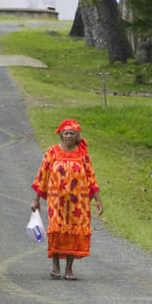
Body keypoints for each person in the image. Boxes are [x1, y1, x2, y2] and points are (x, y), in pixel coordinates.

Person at [31, 118, 103, 280]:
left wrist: (98, 200)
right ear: (61, 135)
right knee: (56, 230)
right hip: (57, 201)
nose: (69, 136)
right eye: (66, 133)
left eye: (72, 133)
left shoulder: (82, 154)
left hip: (79, 203)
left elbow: (91, 177)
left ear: (77, 136)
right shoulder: (52, 152)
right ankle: (55, 263)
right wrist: (35, 200)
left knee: (74, 231)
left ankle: (69, 268)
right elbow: (42, 176)